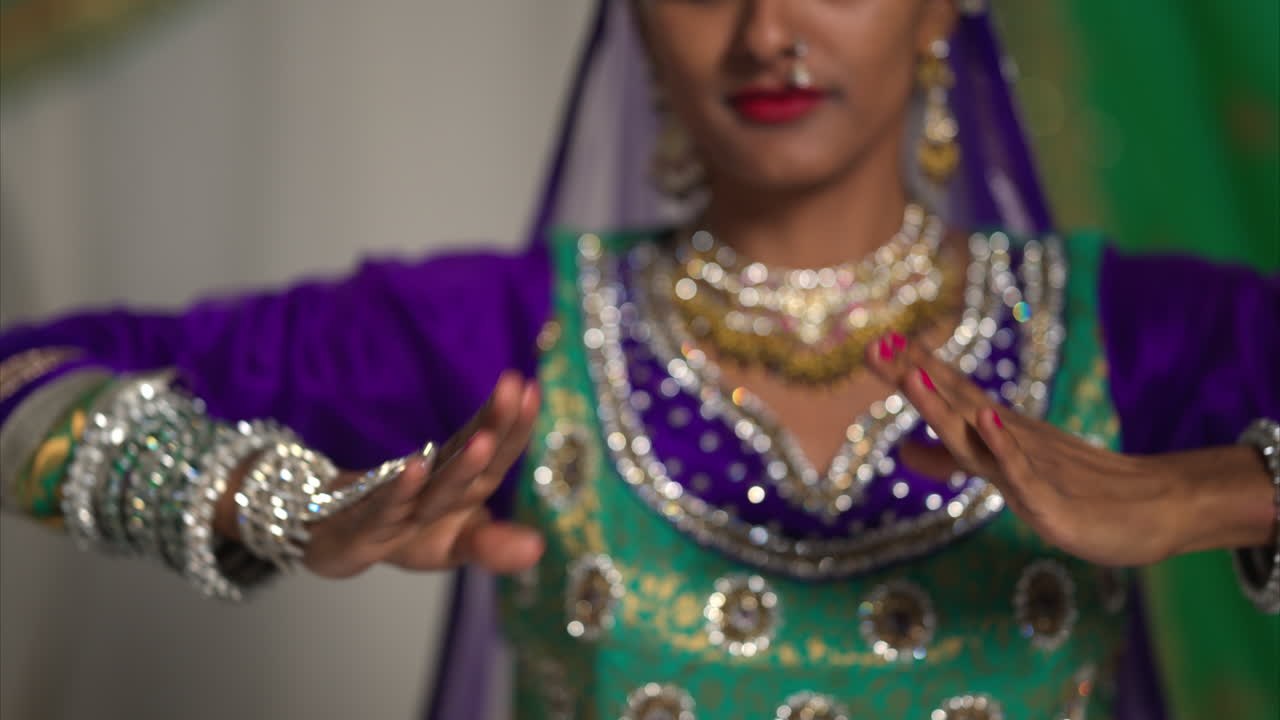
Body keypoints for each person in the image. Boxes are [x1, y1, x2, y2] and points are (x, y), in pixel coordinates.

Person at [1, 1, 1276, 718]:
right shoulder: (507, 337)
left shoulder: (1138, 334)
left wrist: (1208, 492)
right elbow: (21, 376)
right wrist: (280, 508)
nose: (766, 28)